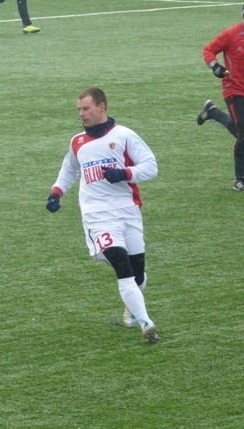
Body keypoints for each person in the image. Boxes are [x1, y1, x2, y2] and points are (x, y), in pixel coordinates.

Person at [46, 87, 159, 343]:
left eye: (86, 108)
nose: (81, 114)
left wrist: (125, 173)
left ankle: (132, 308)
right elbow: (69, 170)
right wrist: (56, 192)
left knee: (138, 274)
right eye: (79, 110)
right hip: (97, 217)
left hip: (128, 211)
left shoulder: (124, 136)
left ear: (101, 107)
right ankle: (147, 324)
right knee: (123, 269)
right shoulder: (77, 142)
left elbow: (151, 166)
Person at [196, 0, 244, 192]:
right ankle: (240, 180)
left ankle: (213, 113)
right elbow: (209, 50)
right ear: (243, 15)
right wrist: (215, 66)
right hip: (234, 89)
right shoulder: (231, 34)